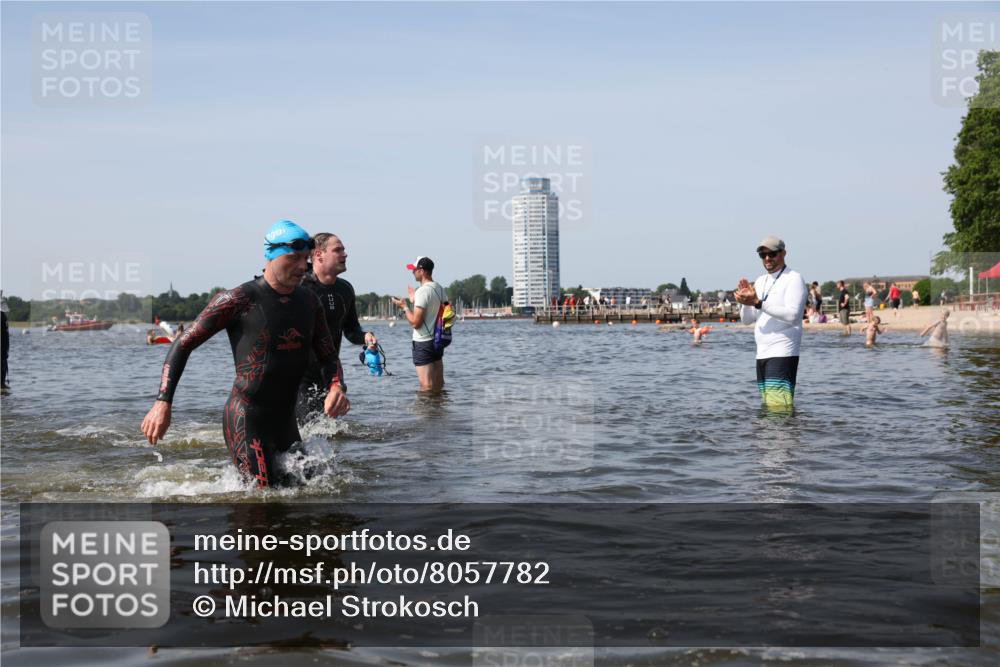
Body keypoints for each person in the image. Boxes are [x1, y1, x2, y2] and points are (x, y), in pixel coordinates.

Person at [140, 220, 349, 489]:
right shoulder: (238, 300)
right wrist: (163, 402)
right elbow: (182, 345)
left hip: (286, 421)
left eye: (306, 259)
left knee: (304, 495)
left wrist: (335, 385)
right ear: (271, 256)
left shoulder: (309, 302)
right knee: (261, 500)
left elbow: (328, 355)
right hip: (247, 419)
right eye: (293, 258)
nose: (302, 267)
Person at [296, 232, 376, 421]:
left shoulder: (345, 289)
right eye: (338, 250)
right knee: (302, 431)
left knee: (329, 430)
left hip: (330, 374)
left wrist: (365, 337)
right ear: (318, 254)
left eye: (343, 250)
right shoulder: (299, 286)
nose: (344, 254)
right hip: (299, 375)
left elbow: (351, 330)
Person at [734, 236, 807, 409]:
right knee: (769, 407)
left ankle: (787, 428)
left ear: (783, 253)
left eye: (772, 254)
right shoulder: (760, 281)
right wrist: (745, 302)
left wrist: (758, 303)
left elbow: (793, 315)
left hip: (782, 351)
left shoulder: (793, 278)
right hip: (762, 354)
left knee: (778, 408)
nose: (767, 258)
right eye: (763, 255)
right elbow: (747, 320)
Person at [391, 256, 446, 392]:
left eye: (414, 269)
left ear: (422, 271)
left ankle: (426, 407)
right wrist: (415, 301)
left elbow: (416, 323)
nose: (412, 272)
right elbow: (439, 310)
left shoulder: (422, 291)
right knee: (438, 384)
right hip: (438, 340)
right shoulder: (439, 288)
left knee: (426, 386)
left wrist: (404, 307)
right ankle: (439, 405)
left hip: (423, 342)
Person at [1, 292, 10, 394]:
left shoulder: (3, 315)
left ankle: (2, 382)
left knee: (4, 363)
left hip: (4, 345)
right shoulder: (1, 316)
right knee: (2, 364)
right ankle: (1, 383)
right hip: (2, 346)